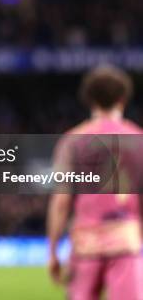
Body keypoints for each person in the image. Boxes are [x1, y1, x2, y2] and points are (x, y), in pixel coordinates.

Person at [47, 65, 143, 300]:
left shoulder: (72, 141)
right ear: (123, 99)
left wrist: (53, 250)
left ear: (89, 99)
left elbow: (61, 201)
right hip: (125, 240)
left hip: (85, 242)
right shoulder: (137, 138)